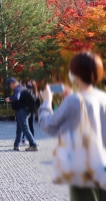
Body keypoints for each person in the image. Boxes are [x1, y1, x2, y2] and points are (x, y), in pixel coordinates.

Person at [39, 51, 106, 200]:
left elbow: (48, 125)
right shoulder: (103, 98)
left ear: (75, 73)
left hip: (83, 167)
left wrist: (46, 102)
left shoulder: (74, 100)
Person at [5, 77, 37, 151]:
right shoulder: (23, 88)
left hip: (22, 110)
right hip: (26, 110)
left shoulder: (17, 88)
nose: (10, 87)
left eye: (10, 85)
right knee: (19, 128)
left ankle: (34, 145)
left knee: (25, 128)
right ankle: (16, 145)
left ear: (13, 83)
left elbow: (16, 97)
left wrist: (10, 99)